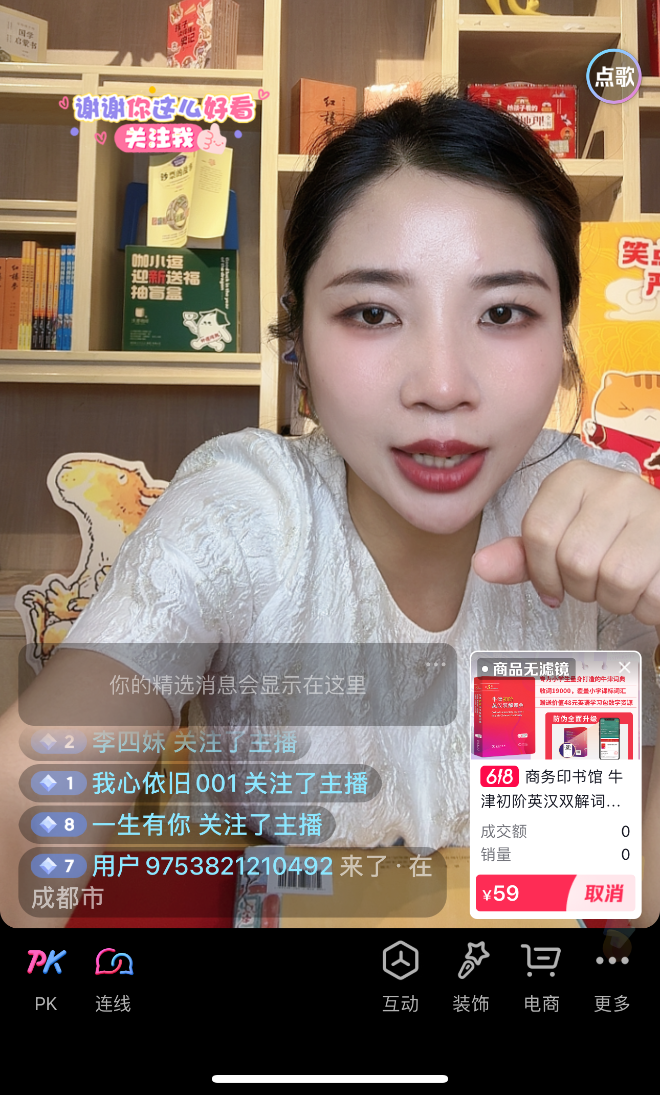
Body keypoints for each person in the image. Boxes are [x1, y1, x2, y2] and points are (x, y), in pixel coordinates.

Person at [2, 92, 659, 925]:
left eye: (502, 312)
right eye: (372, 313)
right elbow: (30, 824)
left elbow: (621, 891)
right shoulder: (249, 510)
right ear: (299, 349)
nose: (442, 386)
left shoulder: (601, 514)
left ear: (562, 339)